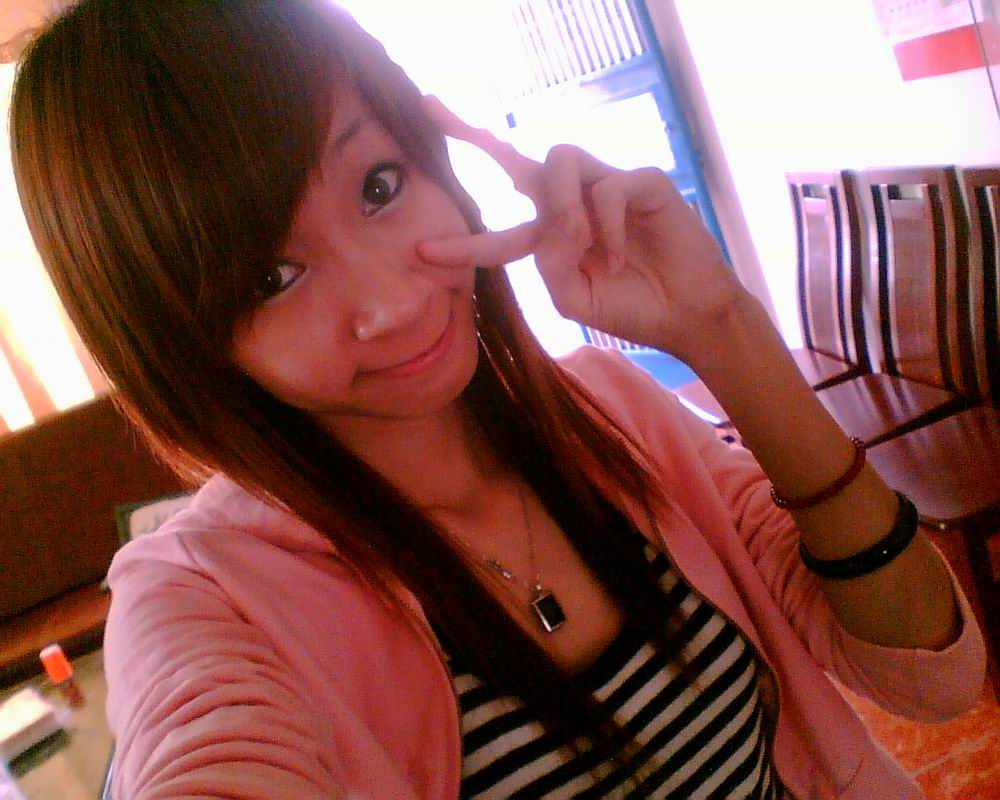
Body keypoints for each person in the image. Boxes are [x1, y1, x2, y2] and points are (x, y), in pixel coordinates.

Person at [9, 1, 986, 798]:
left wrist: (722, 329)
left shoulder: (611, 409)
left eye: (379, 184)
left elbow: (929, 673)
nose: (392, 303)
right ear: (183, 347)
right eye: (270, 278)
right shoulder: (201, 600)